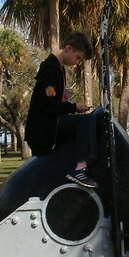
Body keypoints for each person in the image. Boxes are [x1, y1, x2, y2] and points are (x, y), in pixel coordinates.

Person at [24, 31, 98, 188]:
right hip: (43, 130)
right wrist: (74, 107)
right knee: (85, 121)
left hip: (49, 126)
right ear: (68, 48)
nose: (77, 62)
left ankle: (77, 167)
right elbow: (47, 104)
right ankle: (80, 170)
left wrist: (72, 107)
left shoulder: (58, 69)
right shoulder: (50, 69)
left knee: (85, 124)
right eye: (78, 57)